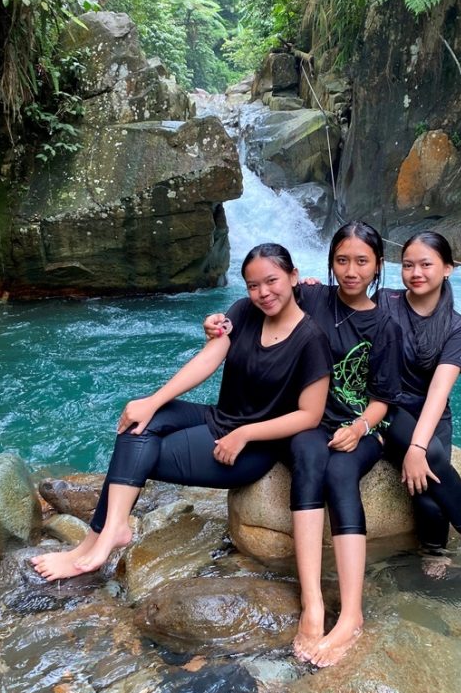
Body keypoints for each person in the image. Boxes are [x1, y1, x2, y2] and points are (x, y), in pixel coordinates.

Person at [32, 243, 332, 583]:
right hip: (220, 418)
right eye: (252, 285)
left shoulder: (311, 339)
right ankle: (103, 536)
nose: (263, 293)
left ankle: (98, 540)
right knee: (138, 421)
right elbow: (207, 360)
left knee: (137, 452)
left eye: (271, 281)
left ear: (294, 276)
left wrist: (246, 433)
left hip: (253, 448)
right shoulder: (245, 312)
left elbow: (309, 415)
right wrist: (154, 400)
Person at [205, 222, 403, 668]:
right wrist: (215, 322)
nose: (350, 271)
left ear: (377, 266)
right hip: (310, 422)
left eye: (361, 262)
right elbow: (256, 304)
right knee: (310, 458)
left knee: (340, 471)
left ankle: (351, 614)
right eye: (341, 260)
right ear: (326, 264)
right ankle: (313, 603)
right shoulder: (311, 296)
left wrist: (358, 428)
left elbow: (383, 399)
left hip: (362, 425)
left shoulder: (386, 323)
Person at [380, 231, 461, 580]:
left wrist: (418, 446)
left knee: (427, 496)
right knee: (433, 463)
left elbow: (439, 392)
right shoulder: (383, 302)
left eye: (426, 264)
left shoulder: (457, 327)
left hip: (430, 417)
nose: (415, 272)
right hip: (386, 411)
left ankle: (434, 550)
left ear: (447, 269)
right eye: (408, 265)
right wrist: (309, 290)